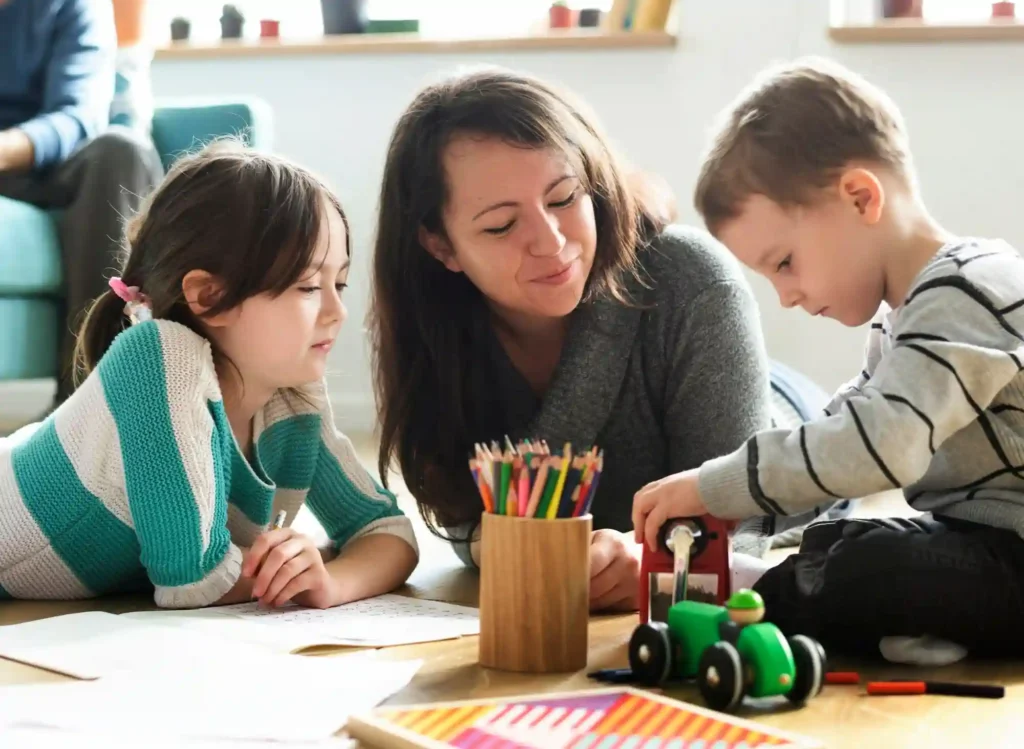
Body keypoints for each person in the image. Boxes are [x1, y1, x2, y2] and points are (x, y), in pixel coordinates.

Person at [633, 57, 1024, 665]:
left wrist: (718, 485)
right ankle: (871, 615)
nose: (786, 297)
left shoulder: (968, 289)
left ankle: (757, 599)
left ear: (860, 197)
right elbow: (836, 442)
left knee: (869, 566)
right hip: (984, 545)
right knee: (837, 540)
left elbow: (878, 447)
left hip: (1015, 553)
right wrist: (733, 511)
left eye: (785, 263)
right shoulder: (905, 318)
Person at [369, 67, 781, 613]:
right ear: (441, 246)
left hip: (778, 417)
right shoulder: (433, 332)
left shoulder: (693, 278)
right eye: (501, 226)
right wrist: (528, 547)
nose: (551, 242)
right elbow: (467, 521)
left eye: (564, 198)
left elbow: (741, 521)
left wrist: (655, 560)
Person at [0, 140, 418, 609]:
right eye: (307, 286)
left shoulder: (292, 393)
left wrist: (329, 582)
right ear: (210, 296)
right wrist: (295, 569)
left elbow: (387, 530)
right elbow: (194, 579)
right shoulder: (160, 358)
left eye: (338, 283)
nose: (337, 311)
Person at [0, 0, 165, 405]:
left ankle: (92, 400)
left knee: (121, 152)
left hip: (44, 165)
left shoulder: (72, 6)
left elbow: (77, 116)